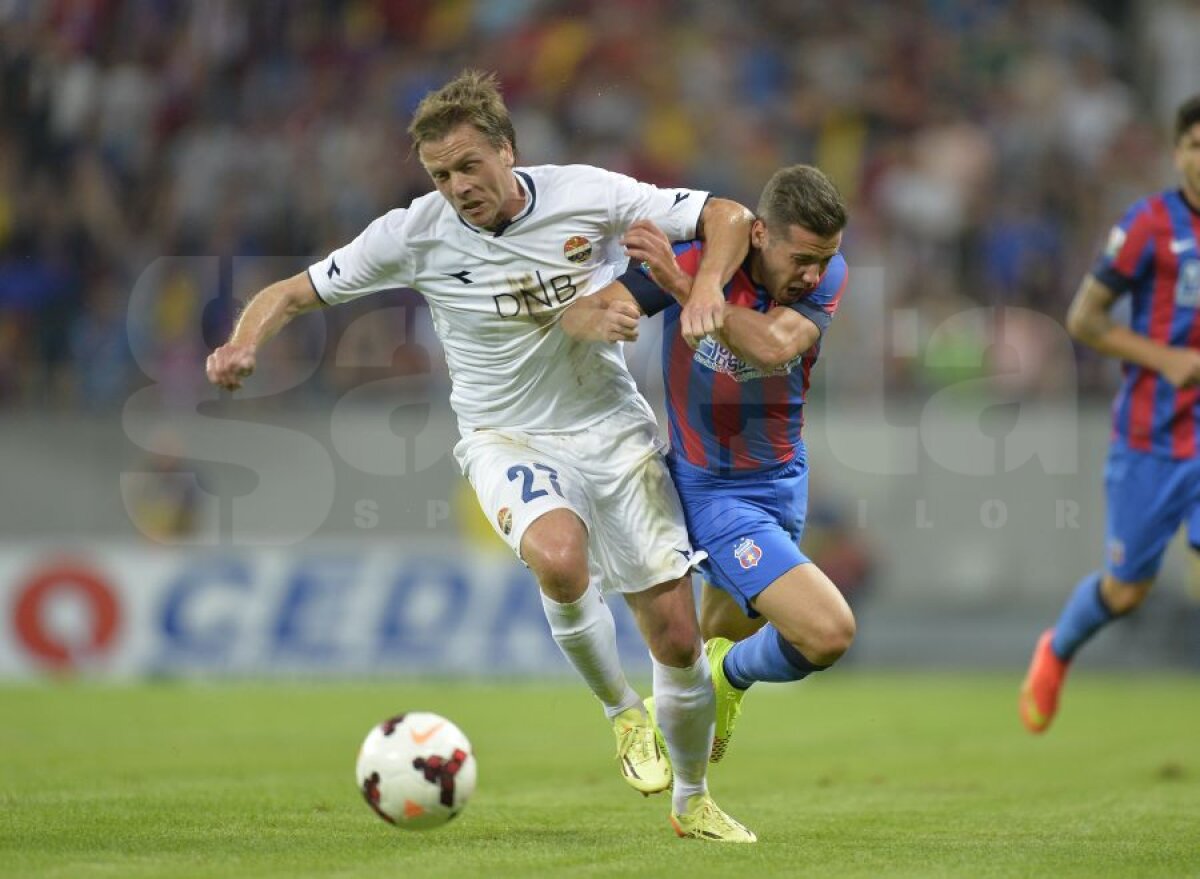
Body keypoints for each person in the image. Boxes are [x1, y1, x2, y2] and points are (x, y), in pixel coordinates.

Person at [206, 70, 757, 842]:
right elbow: (293, 292)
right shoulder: (414, 233)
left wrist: (705, 293)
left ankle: (692, 799)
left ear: (508, 150)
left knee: (675, 636)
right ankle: (623, 715)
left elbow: (728, 214)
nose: (458, 186)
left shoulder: (585, 193)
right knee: (559, 557)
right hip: (506, 435)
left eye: (469, 166)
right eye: (440, 174)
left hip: (611, 428)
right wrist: (241, 342)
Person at [560, 164, 856, 764]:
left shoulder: (824, 275)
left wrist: (685, 289)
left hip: (783, 477)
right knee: (826, 634)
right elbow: (592, 311)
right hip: (713, 490)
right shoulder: (690, 258)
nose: (813, 275)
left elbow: (774, 347)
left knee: (720, 636)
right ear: (759, 235)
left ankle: (689, 776)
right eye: (801, 258)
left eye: (824, 259)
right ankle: (726, 680)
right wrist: (596, 312)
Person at [1019, 94, 1200, 734]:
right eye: (1196, 146)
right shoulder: (1149, 224)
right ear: (1177, 152)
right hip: (1151, 437)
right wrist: (1166, 358)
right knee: (1127, 590)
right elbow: (1083, 319)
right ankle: (1057, 650)